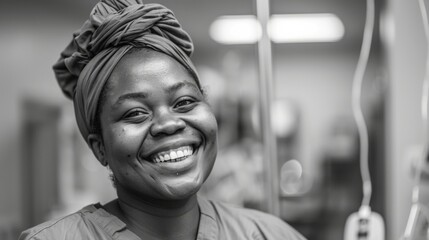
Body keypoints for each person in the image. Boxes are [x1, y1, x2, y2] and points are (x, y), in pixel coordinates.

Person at [19, 0, 306, 239]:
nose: (169, 124)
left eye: (185, 102)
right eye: (135, 113)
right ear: (99, 147)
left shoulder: (268, 234)